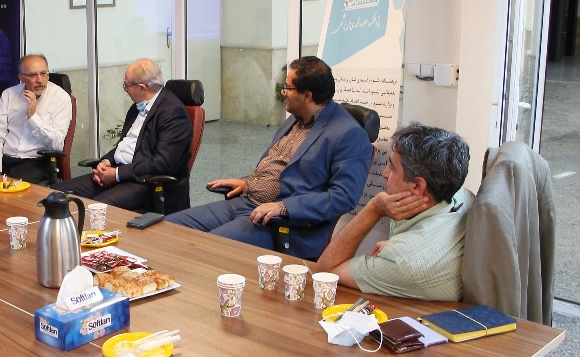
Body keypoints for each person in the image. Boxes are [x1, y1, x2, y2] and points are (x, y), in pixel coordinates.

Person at [165, 56, 372, 259]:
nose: (283, 92)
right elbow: (278, 166)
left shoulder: (348, 134)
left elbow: (344, 197)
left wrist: (283, 207)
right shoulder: (295, 119)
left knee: (201, 250)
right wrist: (247, 182)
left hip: (280, 224)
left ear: (307, 96)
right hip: (245, 202)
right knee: (166, 229)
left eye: (288, 88)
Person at [316, 123, 473, 301]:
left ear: (417, 186)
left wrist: (374, 209)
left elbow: (326, 271)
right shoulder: (462, 195)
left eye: (392, 166)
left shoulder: (403, 259)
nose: (384, 173)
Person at [55, 58, 192, 211]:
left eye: (126, 85)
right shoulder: (137, 108)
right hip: (122, 172)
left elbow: (163, 164)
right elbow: (126, 145)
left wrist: (117, 174)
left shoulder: (173, 113)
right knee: (54, 194)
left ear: (142, 88)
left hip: (146, 182)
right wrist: (106, 161)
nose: (125, 89)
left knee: (94, 210)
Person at [0, 54, 72, 185]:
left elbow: (57, 144)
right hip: (4, 159)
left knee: (10, 188)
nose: (40, 80)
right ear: (21, 78)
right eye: (33, 75)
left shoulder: (61, 98)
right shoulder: (9, 95)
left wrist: (33, 116)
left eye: (43, 73)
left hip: (36, 162)